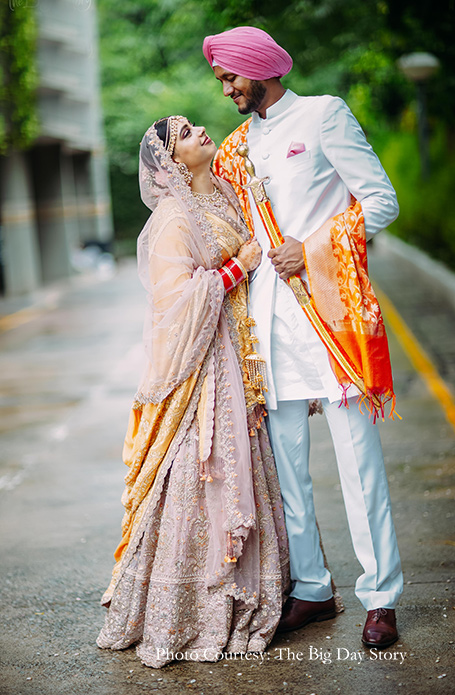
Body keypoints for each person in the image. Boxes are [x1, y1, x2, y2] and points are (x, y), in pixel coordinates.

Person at [203, 26, 403, 649]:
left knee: (357, 463)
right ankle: (313, 588)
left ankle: (381, 596)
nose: (228, 88)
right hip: (265, 331)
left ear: (263, 68)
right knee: (286, 468)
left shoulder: (323, 117)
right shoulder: (235, 147)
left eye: (233, 76)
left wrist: (311, 246)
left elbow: (380, 201)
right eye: (223, 81)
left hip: (329, 316)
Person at [96, 115, 292, 668]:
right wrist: (236, 269)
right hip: (203, 367)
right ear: (172, 161)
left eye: (192, 124)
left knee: (247, 465)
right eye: (183, 133)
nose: (200, 131)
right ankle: (192, 608)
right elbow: (173, 304)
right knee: (204, 469)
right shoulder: (172, 221)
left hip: (241, 350)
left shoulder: (228, 194)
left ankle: (256, 594)